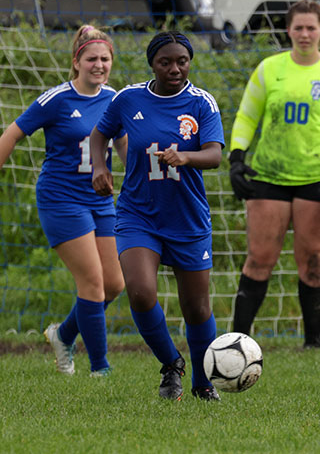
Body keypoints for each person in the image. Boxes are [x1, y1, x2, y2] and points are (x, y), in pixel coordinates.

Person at [90, 31, 225, 401]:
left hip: (187, 219)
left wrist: (186, 156)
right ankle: (171, 365)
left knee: (196, 308)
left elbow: (214, 154)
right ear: (152, 63)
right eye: (165, 62)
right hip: (138, 213)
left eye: (181, 61)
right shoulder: (129, 98)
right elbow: (99, 135)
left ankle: (202, 382)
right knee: (139, 291)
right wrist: (98, 168)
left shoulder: (201, 103)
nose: (175, 68)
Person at [227, 0, 320, 348]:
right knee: (259, 259)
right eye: (297, 27)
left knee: (313, 261)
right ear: (287, 30)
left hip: (318, 179)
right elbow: (246, 117)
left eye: (310, 28)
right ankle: (237, 340)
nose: (304, 34)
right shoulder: (269, 69)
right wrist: (236, 158)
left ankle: (313, 343)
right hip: (269, 175)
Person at [0, 25, 126, 377]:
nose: (98, 65)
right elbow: (11, 135)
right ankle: (100, 370)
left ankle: (64, 334)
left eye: (105, 59)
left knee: (116, 284)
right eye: (91, 59)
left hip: (100, 201)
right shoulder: (56, 99)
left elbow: (125, 146)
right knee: (93, 284)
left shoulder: (116, 100)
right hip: (61, 200)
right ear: (76, 62)